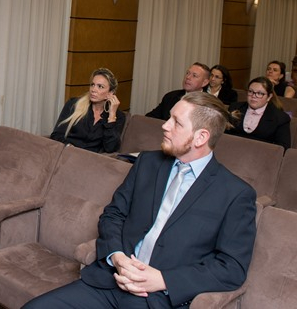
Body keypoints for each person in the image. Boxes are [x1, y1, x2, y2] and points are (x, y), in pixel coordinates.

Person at [25, 92, 257, 309]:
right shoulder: (148, 163)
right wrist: (116, 256)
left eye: (176, 122)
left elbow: (232, 267)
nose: (165, 126)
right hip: (110, 281)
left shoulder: (235, 194)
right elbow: (113, 214)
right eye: (169, 118)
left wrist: (163, 280)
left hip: (158, 299)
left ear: (201, 137)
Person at [50, 68, 123, 153]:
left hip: (91, 159)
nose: (93, 90)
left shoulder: (118, 116)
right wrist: (69, 148)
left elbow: (111, 148)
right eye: (92, 85)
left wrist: (112, 116)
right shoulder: (73, 104)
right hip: (67, 154)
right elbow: (56, 135)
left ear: (110, 93)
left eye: (100, 86)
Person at [227, 77, 291, 150]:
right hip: (232, 150)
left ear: (269, 97)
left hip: (261, 154)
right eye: (250, 91)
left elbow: (282, 148)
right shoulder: (235, 107)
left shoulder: (280, 118)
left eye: (260, 93)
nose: (254, 96)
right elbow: (224, 134)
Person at [146, 63, 210, 120]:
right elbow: (150, 118)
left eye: (194, 75)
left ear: (204, 82)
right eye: (187, 73)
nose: (188, 77)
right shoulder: (170, 97)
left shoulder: (209, 105)